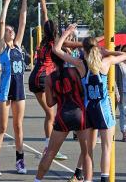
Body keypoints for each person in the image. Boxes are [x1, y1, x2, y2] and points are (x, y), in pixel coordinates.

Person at [53, 24, 126, 182]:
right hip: (103, 109)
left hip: (88, 109)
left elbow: (56, 50)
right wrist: (110, 52)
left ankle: (86, 178)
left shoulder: (81, 65)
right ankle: (103, 178)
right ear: (98, 48)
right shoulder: (106, 62)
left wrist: (66, 33)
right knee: (106, 148)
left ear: (84, 50)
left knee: (88, 150)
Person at [34, 49, 92, 182]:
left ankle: (37, 180)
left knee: (50, 153)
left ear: (53, 61)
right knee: (86, 152)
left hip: (62, 116)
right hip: (79, 113)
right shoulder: (75, 71)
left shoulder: (49, 78)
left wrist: (59, 95)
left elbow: (49, 103)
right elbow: (84, 91)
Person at [0, 0, 27, 176]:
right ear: (4, 34)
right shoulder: (1, 48)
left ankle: (20, 160)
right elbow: (3, 21)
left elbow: (22, 21)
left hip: (19, 90)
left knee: (18, 126)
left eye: (12, 31)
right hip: (4, 91)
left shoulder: (19, 46)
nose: (11, 31)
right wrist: (6, 1)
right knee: (3, 127)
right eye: (8, 31)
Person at [28, 0, 67, 160]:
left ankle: (48, 146)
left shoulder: (43, 41)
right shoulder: (54, 43)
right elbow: (46, 20)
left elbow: (45, 17)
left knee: (51, 113)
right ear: (56, 31)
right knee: (52, 114)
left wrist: (43, 1)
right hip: (42, 80)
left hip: (35, 79)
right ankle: (49, 149)